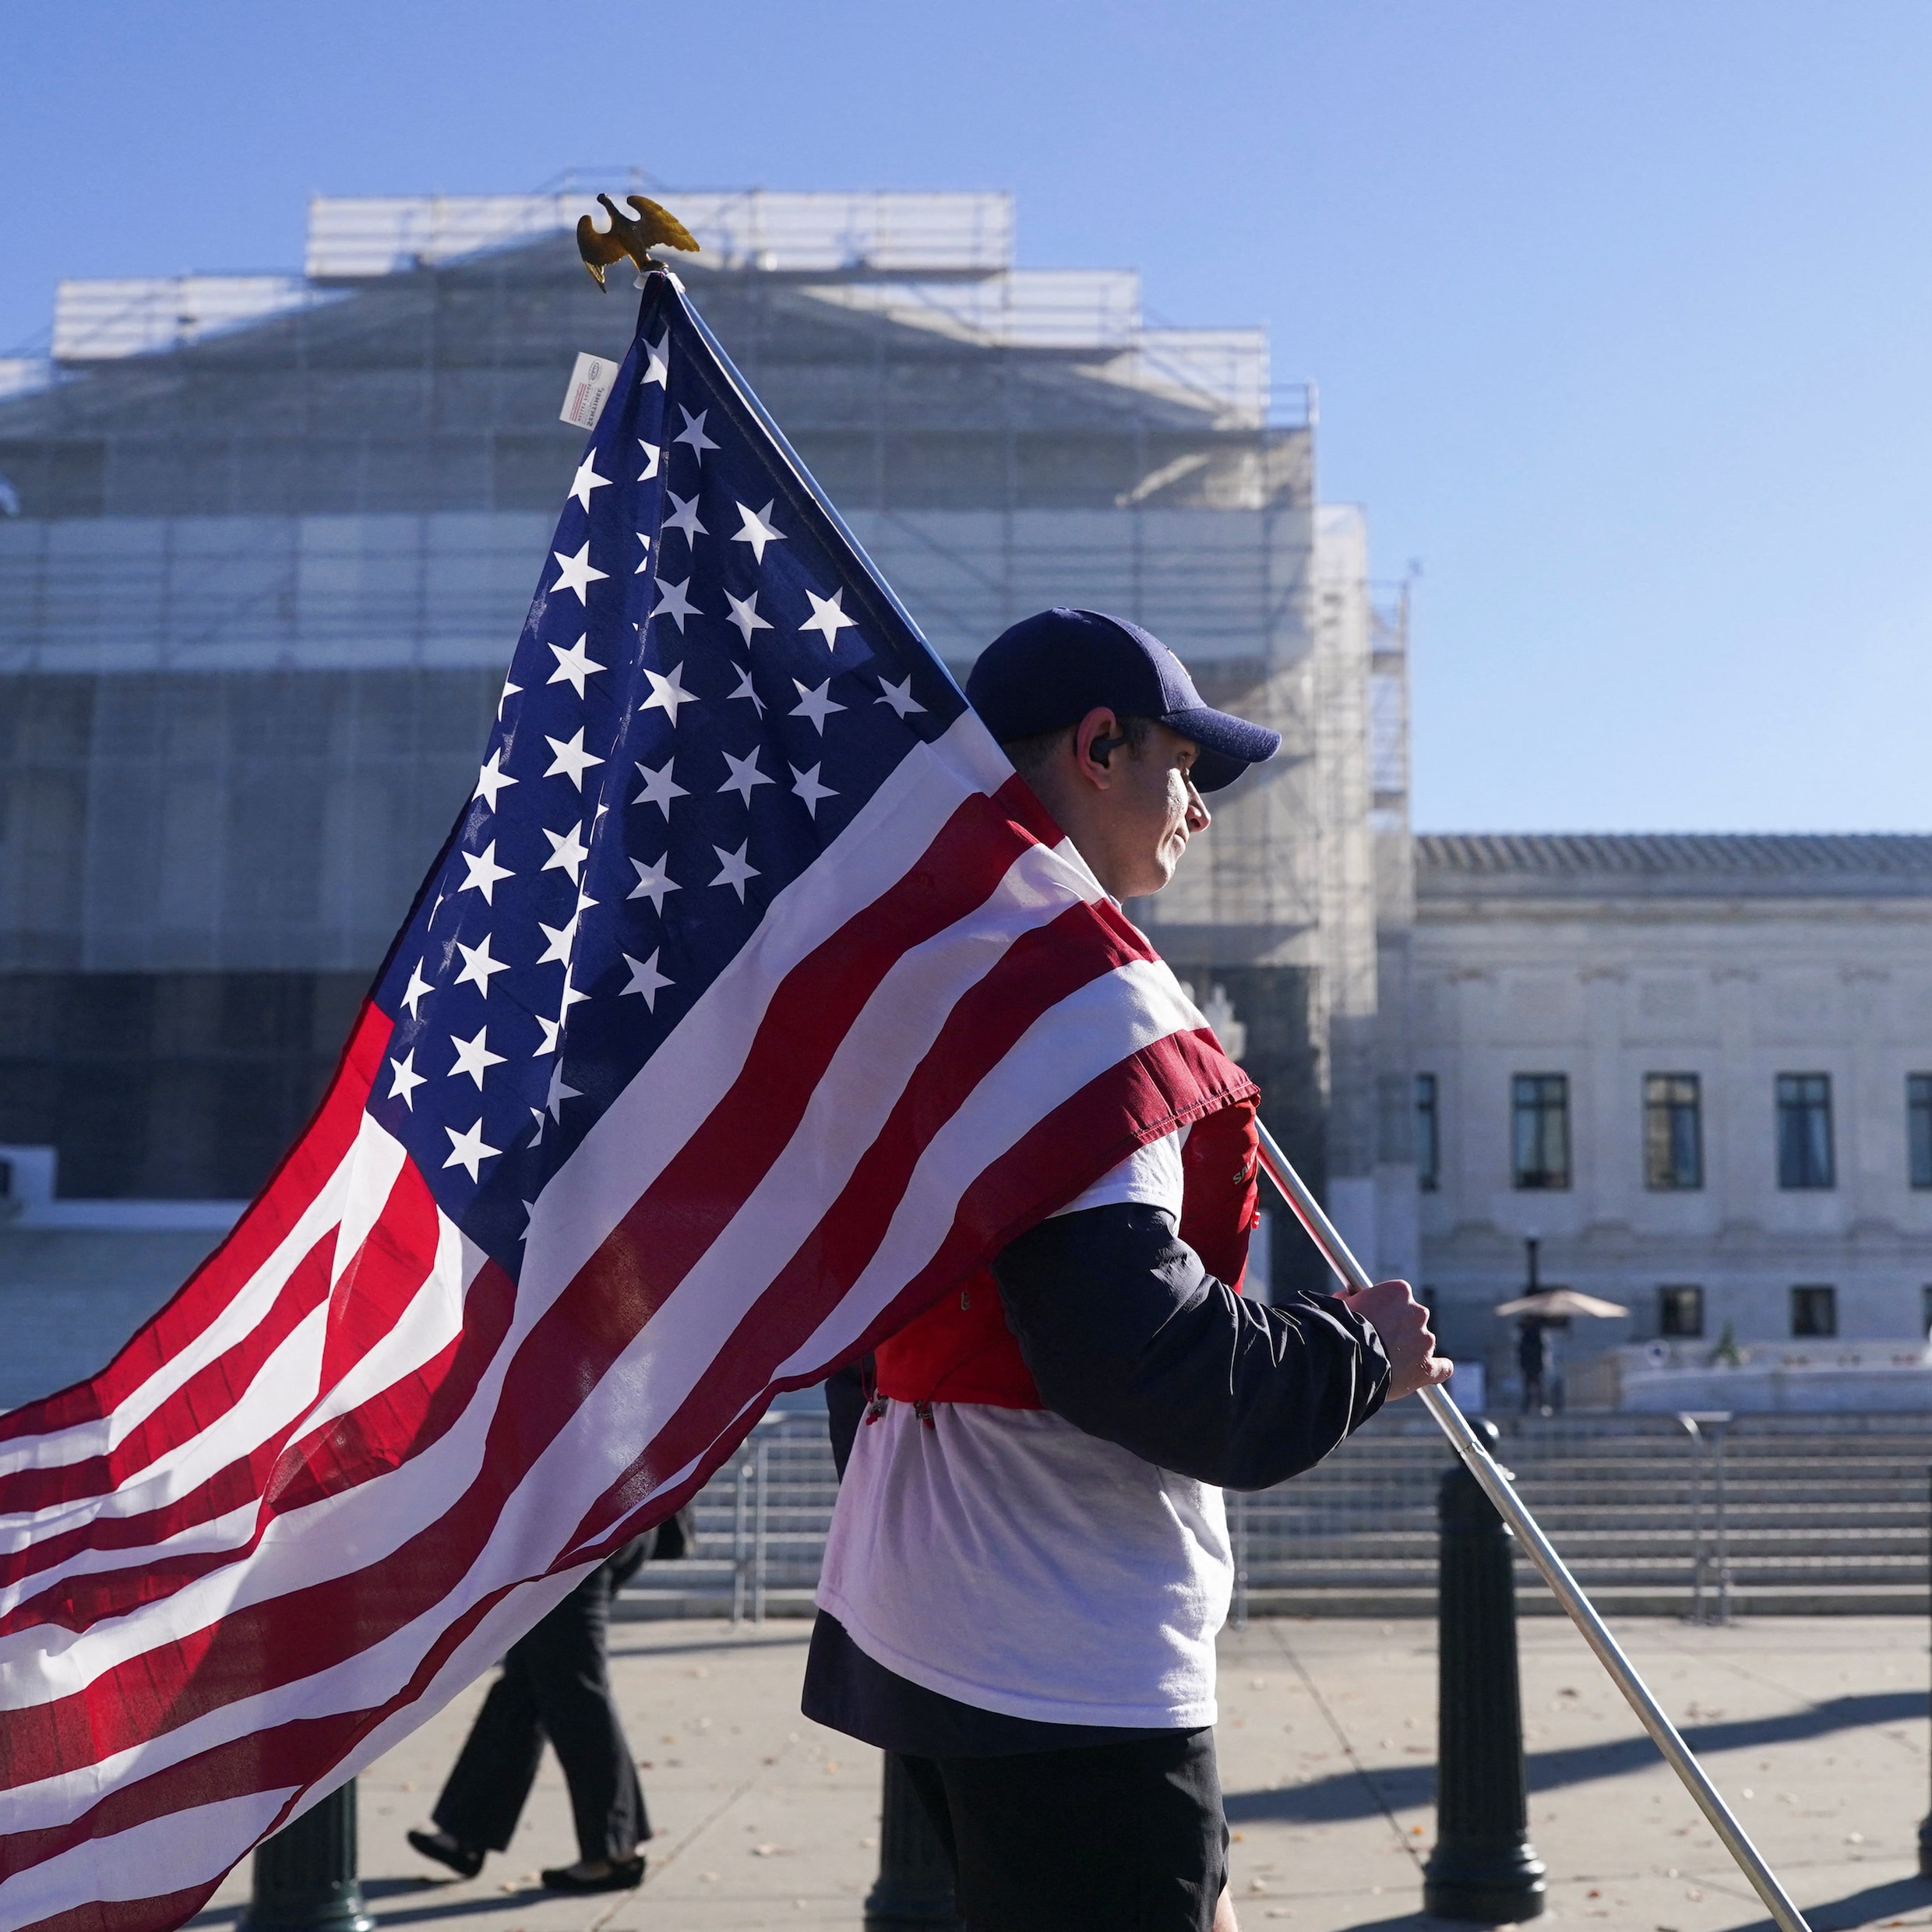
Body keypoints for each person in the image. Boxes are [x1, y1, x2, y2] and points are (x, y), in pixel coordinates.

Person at [803, 608, 1450, 1932]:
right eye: (1187, 769)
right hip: (1063, 1631)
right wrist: (1353, 1355)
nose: (1199, 814)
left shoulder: (936, 984)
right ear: (1102, 744)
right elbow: (1127, 1349)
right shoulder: (1080, 1006)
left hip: (927, 1597)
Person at [406, 1519, 681, 1894]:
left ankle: (615, 1851)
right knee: (524, 1685)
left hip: (581, 1531)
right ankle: (465, 1832)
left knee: (573, 1688)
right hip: (587, 1526)